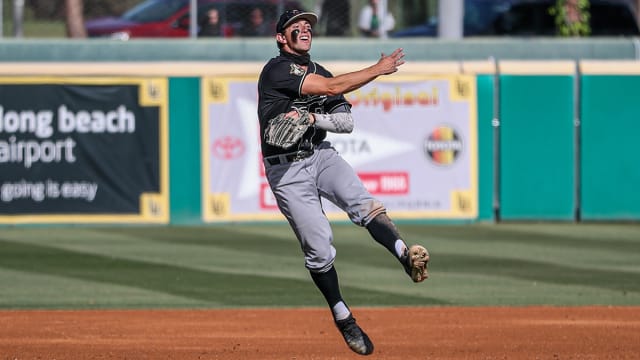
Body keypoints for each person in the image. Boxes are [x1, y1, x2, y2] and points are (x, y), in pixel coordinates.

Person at [257, 9, 430, 356]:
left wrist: (311, 118)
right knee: (319, 249)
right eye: (296, 25)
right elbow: (332, 88)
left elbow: (345, 122)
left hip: (319, 155)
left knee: (364, 204)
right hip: (286, 171)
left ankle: (404, 256)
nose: (304, 28)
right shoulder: (276, 70)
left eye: (308, 25)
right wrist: (377, 70)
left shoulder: (320, 71)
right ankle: (342, 315)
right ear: (281, 37)